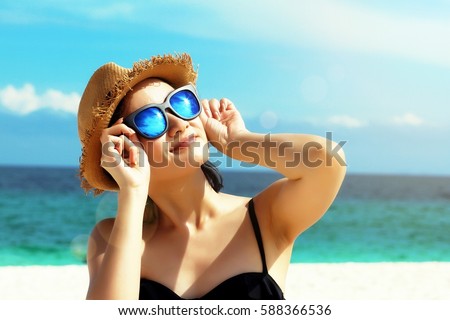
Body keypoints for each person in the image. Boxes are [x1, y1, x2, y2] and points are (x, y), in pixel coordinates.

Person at [77, 53, 346, 300]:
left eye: (182, 102)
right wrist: (133, 191)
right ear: (122, 149)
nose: (179, 123)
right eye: (150, 119)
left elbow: (327, 160)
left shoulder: (262, 217)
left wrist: (237, 141)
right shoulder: (109, 239)